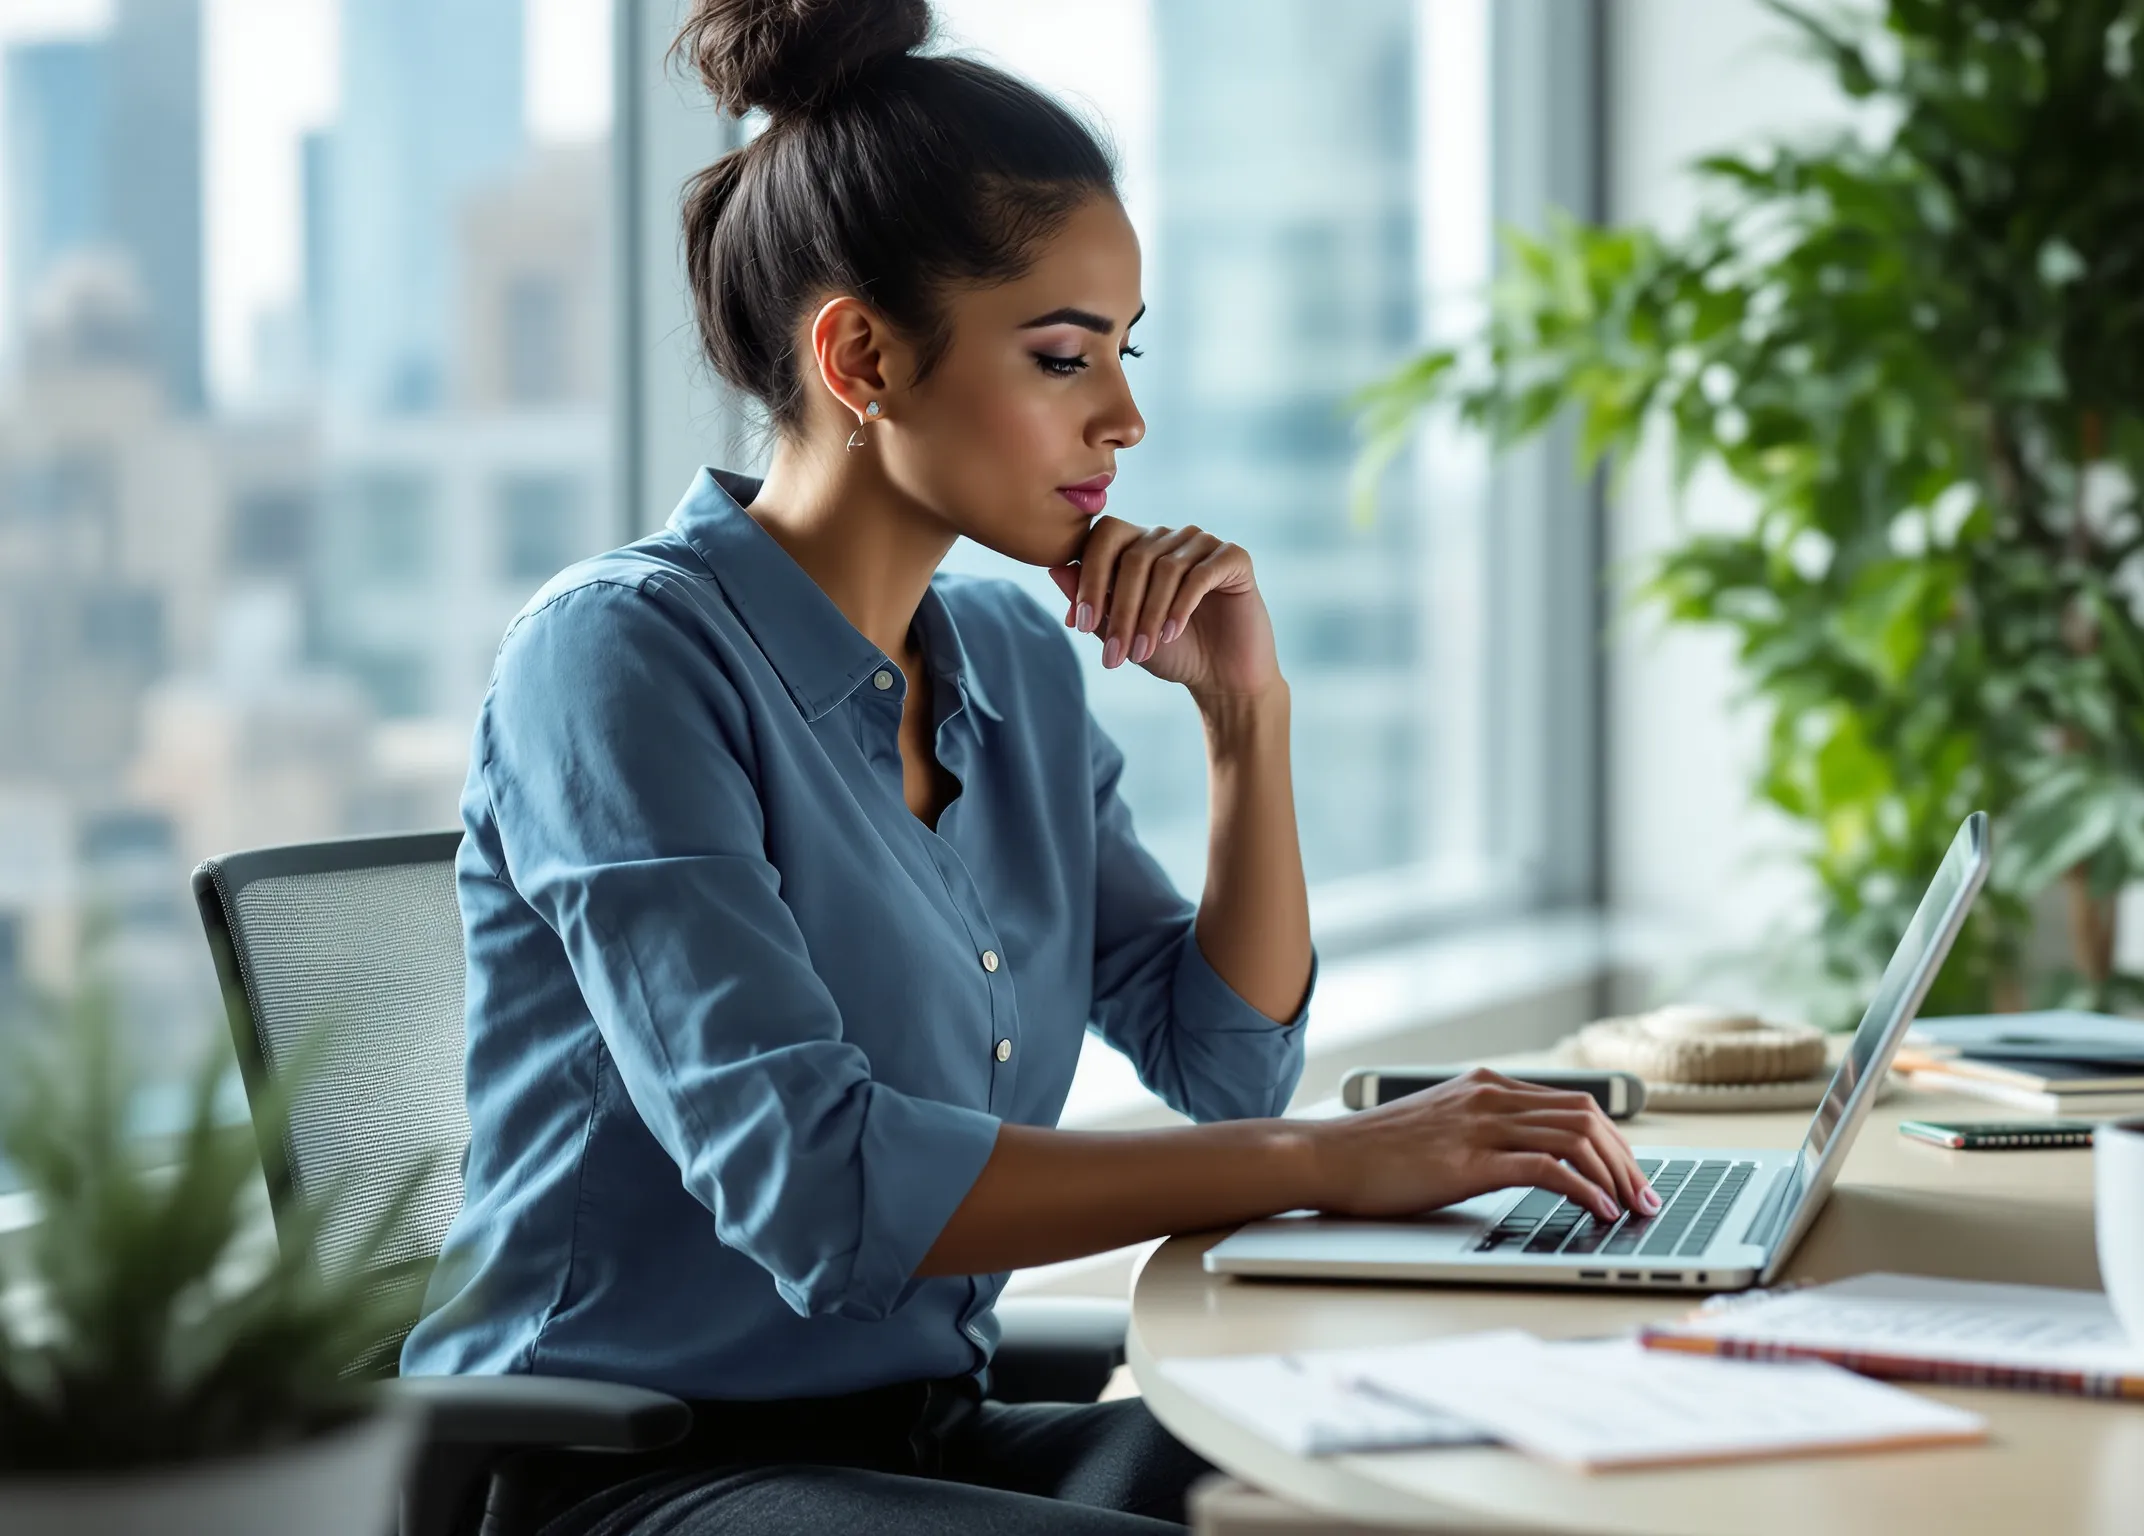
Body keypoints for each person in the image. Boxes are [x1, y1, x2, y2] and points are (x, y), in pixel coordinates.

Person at [398, 3, 1660, 1531]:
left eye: (1125, 354)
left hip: (925, 1439)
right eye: (1064, 357)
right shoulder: (618, 659)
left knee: (1445, 1474)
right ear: (860, 354)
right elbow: (821, 1189)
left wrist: (1245, 724)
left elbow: (1224, 1059)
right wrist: (1333, 1158)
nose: (1124, 418)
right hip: (635, 1473)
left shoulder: (1003, 654)